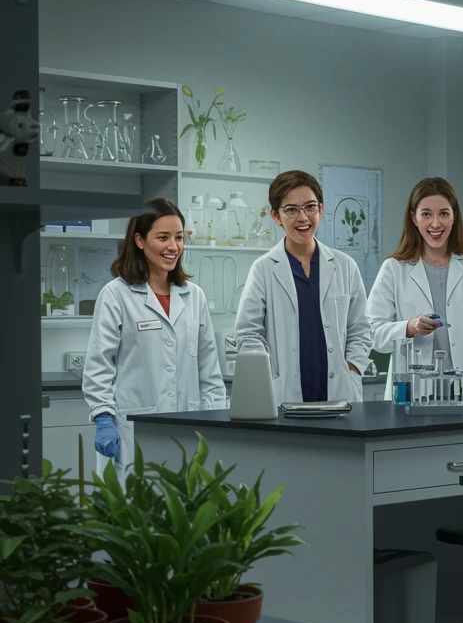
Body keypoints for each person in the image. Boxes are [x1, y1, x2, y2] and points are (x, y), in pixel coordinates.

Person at [83, 197, 226, 477]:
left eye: (179, 238)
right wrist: (103, 417)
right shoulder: (116, 294)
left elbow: (209, 371)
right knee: (135, 513)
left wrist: (216, 420)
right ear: (139, 240)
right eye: (163, 237)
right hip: (134, 431)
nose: (173, 247)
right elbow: (99, 365)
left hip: (189, 428)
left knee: (184, 513)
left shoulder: (193, 296)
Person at [367, 176, 463, 397]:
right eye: (426, 214)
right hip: (412, 392)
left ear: (454, 216)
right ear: (414, 218)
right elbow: (373, 334)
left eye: (444, 213)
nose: (436, 223)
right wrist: (409, 327)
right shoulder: (393, 269)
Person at [234, 169, 371, 404]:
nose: (303, 218)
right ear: (276, 216)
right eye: (291, 210)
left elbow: (360, 329)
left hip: (339, 393)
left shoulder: (345, 266)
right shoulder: (264, 269)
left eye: (310, 207)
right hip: (284, 392)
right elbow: (248, 333)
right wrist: (267, 373)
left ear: (321, 209)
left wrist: (353, 367)